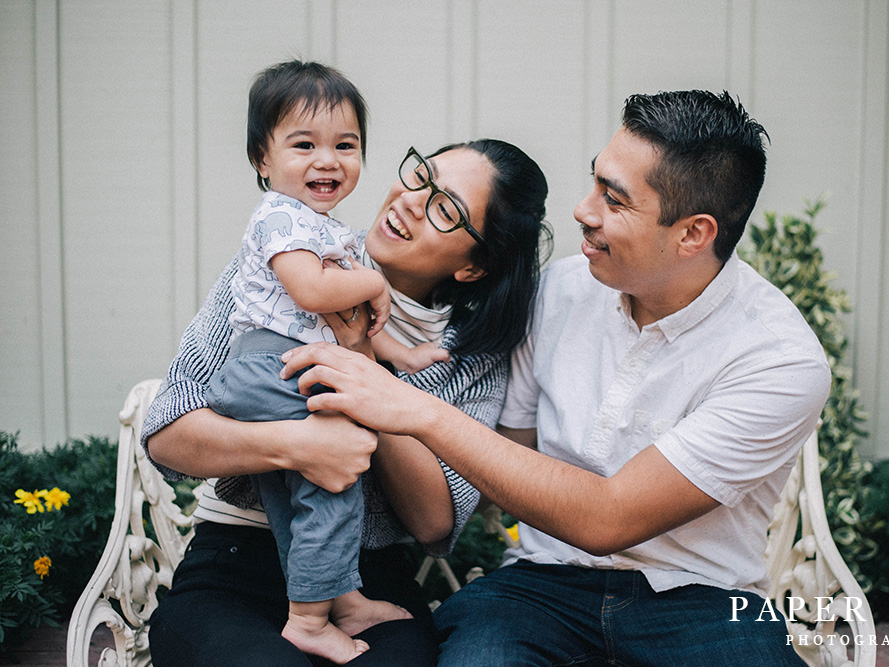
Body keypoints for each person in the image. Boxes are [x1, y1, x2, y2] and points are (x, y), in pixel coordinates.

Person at [278, 90, 832, 666]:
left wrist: (415, 410)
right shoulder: (560, 291)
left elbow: (607, 518)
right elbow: (504, 464)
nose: (583, 211)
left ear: (693, 234)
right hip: (540, 586)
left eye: (614, 201)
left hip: (706, 602)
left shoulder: (779, 359)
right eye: (595, 181)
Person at [142, 134, 550, 666]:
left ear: (473, 267)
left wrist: (364, 365)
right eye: (420, 175)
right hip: (237, 561)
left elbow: (434, 524)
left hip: (369, 581)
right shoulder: (295, 260)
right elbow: (168, 436)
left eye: (444, 208)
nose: (410, 200)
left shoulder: (468, 355)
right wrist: (295, 445)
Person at [207, 59, 456, 663]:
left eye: (346, 145)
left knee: (299, 491)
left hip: (294, 364)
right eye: (303, 144)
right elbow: (315, 296)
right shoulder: (280, 218)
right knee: (335, 472)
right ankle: (314, 617)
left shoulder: (325, 228)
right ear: (262, 161)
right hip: (272, 369)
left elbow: (354, 334)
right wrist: (372, 285)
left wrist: (404, 353)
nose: (328, 159)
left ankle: (329, 600)